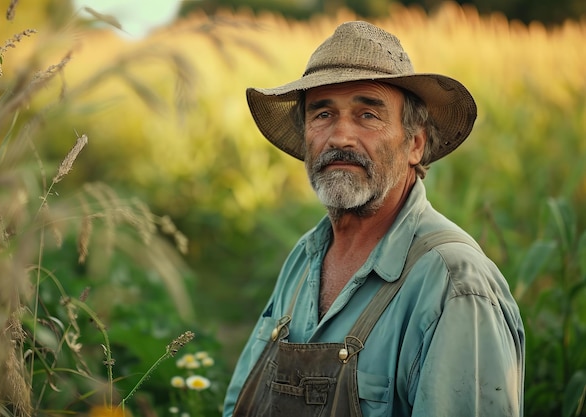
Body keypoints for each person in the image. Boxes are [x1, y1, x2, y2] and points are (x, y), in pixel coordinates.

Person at [223, 21, 525, 417]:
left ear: (414, 143)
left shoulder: (453, 283)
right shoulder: (305, 257)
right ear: (306, 138)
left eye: (368, 114)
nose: (340, 137)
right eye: (322, 114)